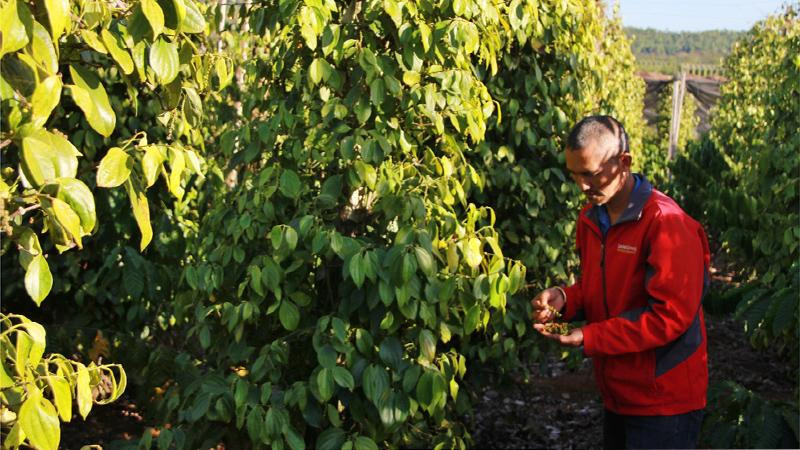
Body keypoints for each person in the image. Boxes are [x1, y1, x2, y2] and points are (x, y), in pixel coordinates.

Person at [531, 115, 710, 449]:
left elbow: (670, 317)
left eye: (590, 174)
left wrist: (590, 336)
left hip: (663, 399)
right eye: (574, 174)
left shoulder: (666, 223)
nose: (582, 186)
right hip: (618, 391)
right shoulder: (591, 217)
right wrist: (564, 299)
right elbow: (599, 287)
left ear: (623, 163)